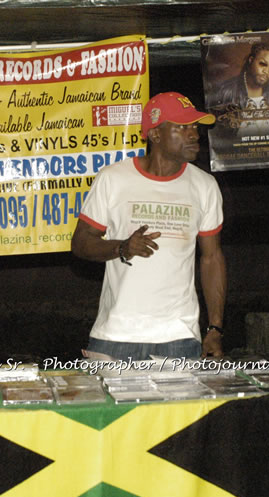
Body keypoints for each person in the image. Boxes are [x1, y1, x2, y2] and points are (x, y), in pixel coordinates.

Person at [72, 91, 225, 360]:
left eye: (195, 127)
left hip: (178, 337)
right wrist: (122, 247)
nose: (194, 135)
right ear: (155, 134)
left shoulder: (205, 186)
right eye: (182, 127)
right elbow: (81, 243)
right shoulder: (114, 179)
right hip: (117, 335)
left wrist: (215, 328)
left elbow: (211, 258)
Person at [211, 43, 269, 138]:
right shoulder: (226, 90)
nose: (266, 71)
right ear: (251, 60)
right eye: (262, 64)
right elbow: (218, 133)